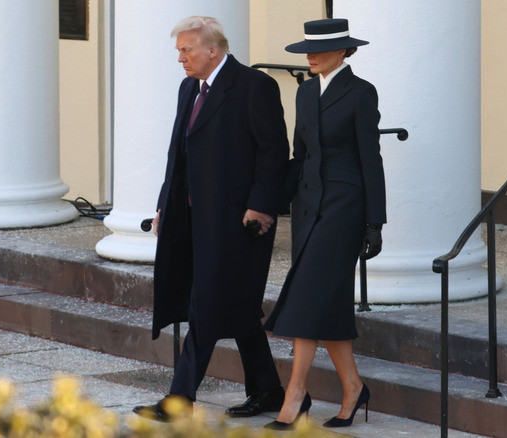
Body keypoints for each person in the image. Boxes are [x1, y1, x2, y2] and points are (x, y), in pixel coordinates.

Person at [133, 16, 289, 422]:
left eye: (186, 50)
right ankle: (269, 389)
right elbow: (178, 155)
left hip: (238, 220)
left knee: (207, 303)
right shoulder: (189, 88)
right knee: (234, 302)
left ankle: (179, 399)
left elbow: (274, 152)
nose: (180, 58)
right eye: (179, 50)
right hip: (192, 216)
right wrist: (165, 203)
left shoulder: (255, 86)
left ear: (213, 50)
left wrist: (262, 205)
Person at [263, 18, 386, 430]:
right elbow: (300, 155)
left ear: (343, 51)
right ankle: (352, 387)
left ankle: (295, 394)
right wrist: (270, 203)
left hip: (344, 207)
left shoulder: (361, 93)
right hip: (307, 206)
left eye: (316, 51)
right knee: (325, 303)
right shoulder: (304, 91)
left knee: (307, 296)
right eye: (306, 51)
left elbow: (371, 159)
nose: (309, 57)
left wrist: (375, 222)